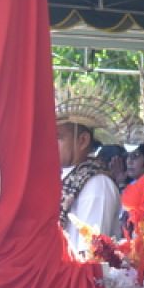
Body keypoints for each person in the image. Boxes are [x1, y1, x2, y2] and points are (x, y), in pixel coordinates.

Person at [55, 86, 121, 256]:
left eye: (58, 137)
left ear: (83, 140)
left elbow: (90, 255)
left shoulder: (97, 184)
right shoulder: (63, 177)